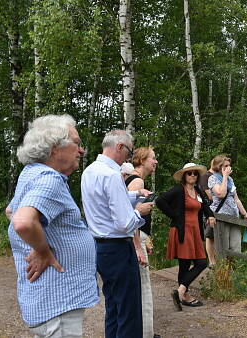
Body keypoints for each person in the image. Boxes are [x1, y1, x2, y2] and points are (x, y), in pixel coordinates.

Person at [5, 114, 99, 336]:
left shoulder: (30, 173)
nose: (81, 150)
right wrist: (42, 250)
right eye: (76, 143)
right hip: (57, 301)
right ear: (55, 148)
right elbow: (23, 221)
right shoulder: (49, 179)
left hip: (49, 298)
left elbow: (10, 211)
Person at [81, 130, 154, 338]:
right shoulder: (112, 175)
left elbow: (103, 202)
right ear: (120, 147)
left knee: (113, 307)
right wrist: (139, 211)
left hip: (100, 247)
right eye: (129, 152)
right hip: (119, 248)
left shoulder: (91, 171)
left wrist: (132, 194)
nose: (129, 158)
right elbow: (125, 223)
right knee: (129, 312)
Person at [155, 163, 216, 310]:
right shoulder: (178, 190)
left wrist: (211, 216)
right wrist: (174, 215)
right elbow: (160, 201)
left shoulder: (198, 191)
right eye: (189, 173)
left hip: (195, 231)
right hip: (182, 230)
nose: (193, 176)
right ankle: (184, 294)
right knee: (187, 264)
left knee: (199, 262)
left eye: (195, 173)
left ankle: (181, 292)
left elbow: (205, 207)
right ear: (184, 176)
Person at [126, 146, 160, 338]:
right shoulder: (137, 180)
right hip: (134, 240)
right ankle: (144, 333)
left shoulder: (135, 179)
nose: (155, 162)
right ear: (141, 160)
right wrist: (138, 244)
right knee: (143, 286)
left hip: (139, 237)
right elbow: (131, 215)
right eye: (152, 158)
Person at [207, 156, 247, 258]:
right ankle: (222, 272)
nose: (228, 168)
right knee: (224, 248)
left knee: (236, 248)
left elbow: (236, 199)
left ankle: (232, 272)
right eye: (225, 166)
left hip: (234, 217)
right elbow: (220, 194)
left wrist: (245, 214)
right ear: (219, 167)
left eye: (229, 165)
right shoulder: (212, 178)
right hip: (221, 217)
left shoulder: (230, 180)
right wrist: (224, 177)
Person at [198, 157, 216, 265]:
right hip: (209, 208)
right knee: (209, 235)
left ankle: (218, 261)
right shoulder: (206, 176)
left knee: (217, 235)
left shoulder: (220, 177)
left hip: (219, 210)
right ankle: (212, 261)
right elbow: (208, 193)